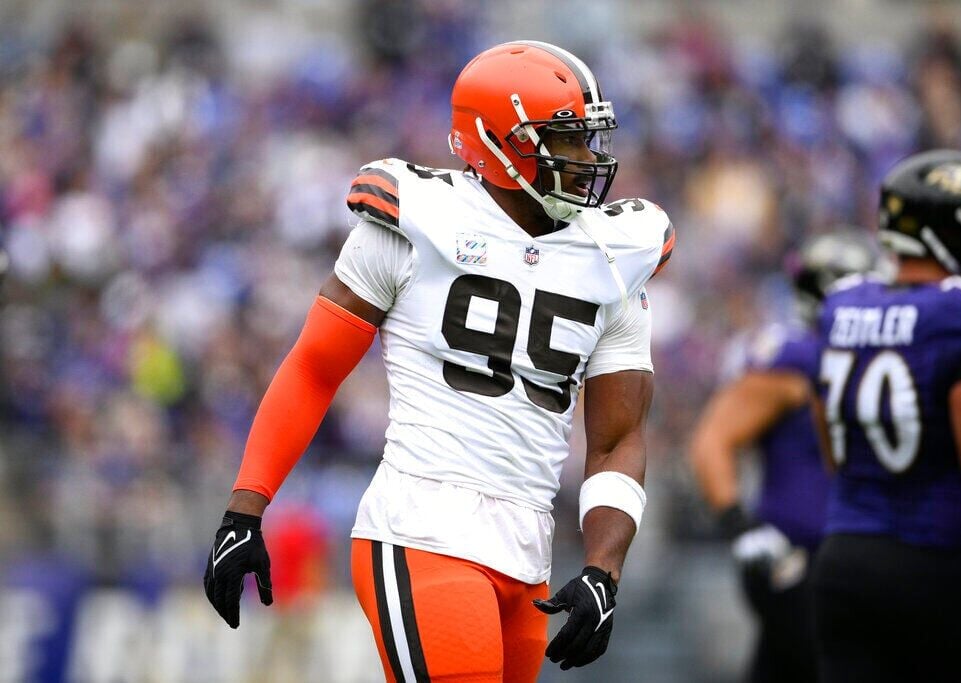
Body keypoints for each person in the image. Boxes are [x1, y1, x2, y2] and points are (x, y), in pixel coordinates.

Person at [202, 40, 674, 681]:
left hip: (528, 549)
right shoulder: (417, 218)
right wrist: (245, 509)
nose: (587, 159)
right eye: (564, 141)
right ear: (497, 142)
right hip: (422, 527)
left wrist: (603, 569)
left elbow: (619, 437)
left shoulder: (619, 253)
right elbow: (315, 367)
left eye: (588, 139)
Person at [811, 149, 961, 682]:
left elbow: (833, 447)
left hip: (844, 561)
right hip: (941, 564)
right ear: (950, 231)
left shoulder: (843, 306)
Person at [689, 229, 877, 683]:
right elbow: (711, 441)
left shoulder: (857, 360)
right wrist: (739, 523)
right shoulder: (795, 359)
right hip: (794, 556)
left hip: (840, 557)